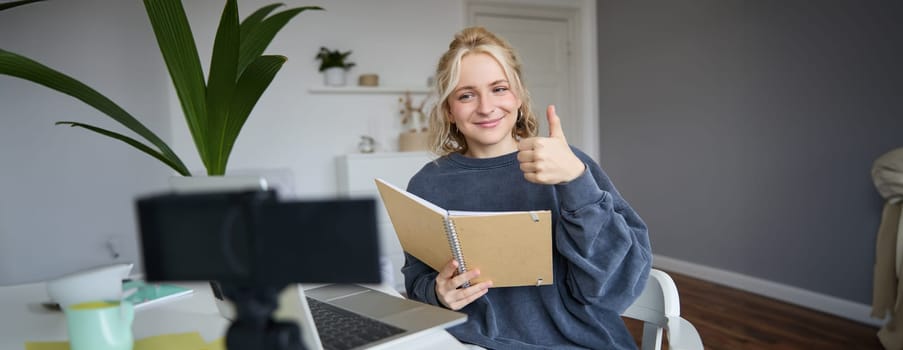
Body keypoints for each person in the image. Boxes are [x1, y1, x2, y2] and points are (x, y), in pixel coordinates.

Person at [401, 26, 653, 349]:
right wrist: (437, 292)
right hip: (471, 343)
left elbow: (617, 284)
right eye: (466, 94)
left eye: (499, 89)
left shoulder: (567, 163)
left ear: (518, 96)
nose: (486, 107)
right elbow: (417, 278)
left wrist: (576, 182)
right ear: (449, 109)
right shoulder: (427, 184)